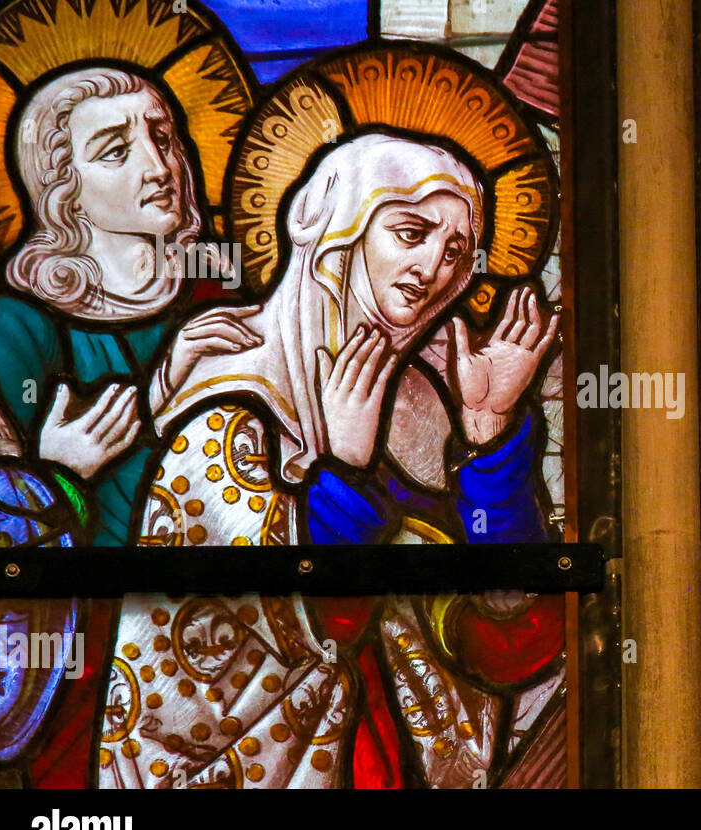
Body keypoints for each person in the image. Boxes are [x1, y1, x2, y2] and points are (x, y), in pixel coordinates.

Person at [103, 134, 559, 788]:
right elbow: (251, 635)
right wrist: (343, 474)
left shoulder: (441, 398)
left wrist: (491, 448)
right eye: (411, 232)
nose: (433, 263)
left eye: (455, 250)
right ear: (342, 229)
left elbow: (509, 639)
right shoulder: (232, 399)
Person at [0, 66, 255, 546]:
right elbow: (1, 530)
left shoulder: (217, 284)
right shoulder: (19, 329)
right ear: (63, 188)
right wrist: (56, 472)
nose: (159, 166)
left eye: (164, 137)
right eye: (116, 151)